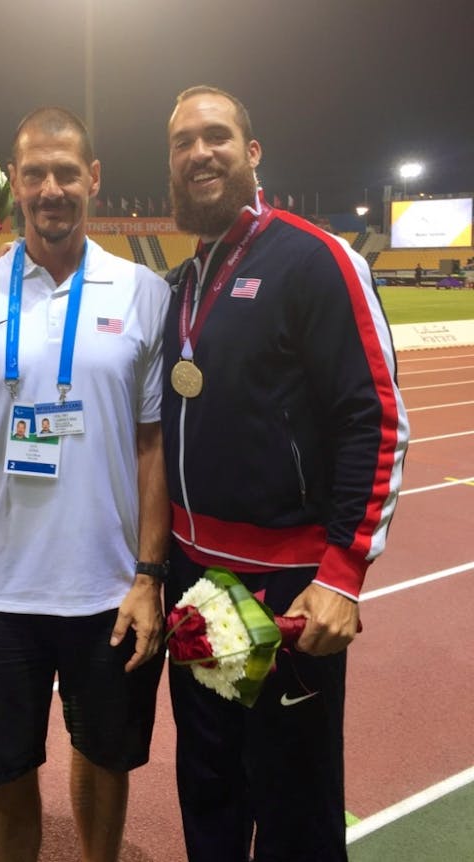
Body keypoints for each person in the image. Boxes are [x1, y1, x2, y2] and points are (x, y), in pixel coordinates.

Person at [162, 85, 409, 862]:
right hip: (197, 580)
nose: (199, 153)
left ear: (252, 151)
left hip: (287, 590)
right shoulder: (186, 278)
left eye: (216, 137)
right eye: (181, 143)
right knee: (210, 792)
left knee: (296, 808)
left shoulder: (314, 258)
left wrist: (342, 573)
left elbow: (377, 417)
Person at [0, 106, 170, 862]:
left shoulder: (143, 291)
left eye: (67, 171)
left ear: (93, 179)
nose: (51, 188)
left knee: (104, 757)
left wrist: (148, 576)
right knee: (1, 772)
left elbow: (151, 443)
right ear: (13, 185)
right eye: (34, 173)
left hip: (107, 589)